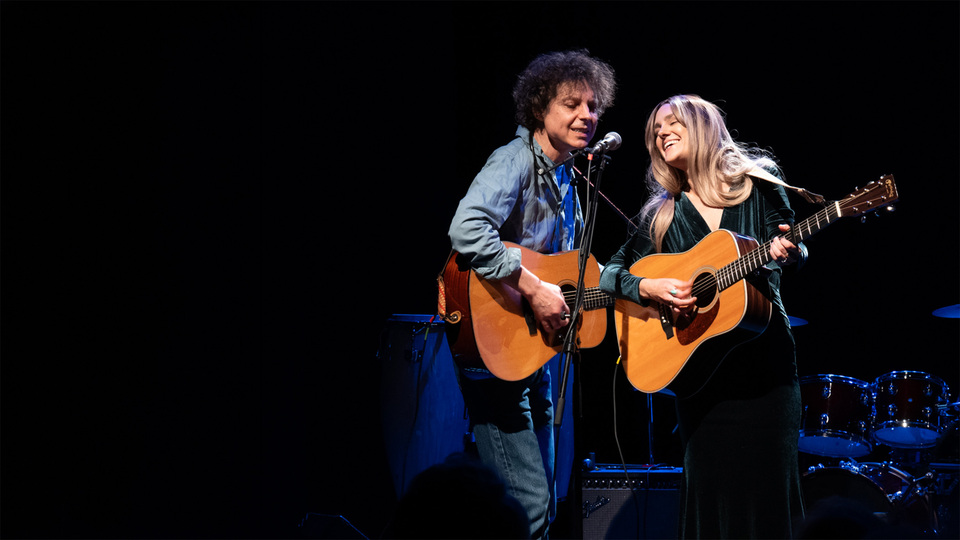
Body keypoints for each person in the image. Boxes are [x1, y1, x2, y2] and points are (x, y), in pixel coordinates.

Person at [599, 94, 806, 538]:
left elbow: (793, 245)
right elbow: (608, 274)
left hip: (766, 372)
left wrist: (792, 252)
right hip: (701, 381)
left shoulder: (757, 184)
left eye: (672, 123)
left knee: (769, 503)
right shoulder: (661, 214)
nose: (662, 134)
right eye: (656, 131)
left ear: (702, 125)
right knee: (709, 507)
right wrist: (648, 287)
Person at [446, 49, 616, 539]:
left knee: (544, 504)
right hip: (493, 345)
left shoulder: (568, 176)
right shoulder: (514, 160)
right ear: (541, 108)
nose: (587, 116)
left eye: (593, 106)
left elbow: (566, 269)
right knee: (530, 506)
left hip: (532, 353)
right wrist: (532, 286)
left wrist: (639, 288)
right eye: (572, 104)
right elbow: (466, 228)